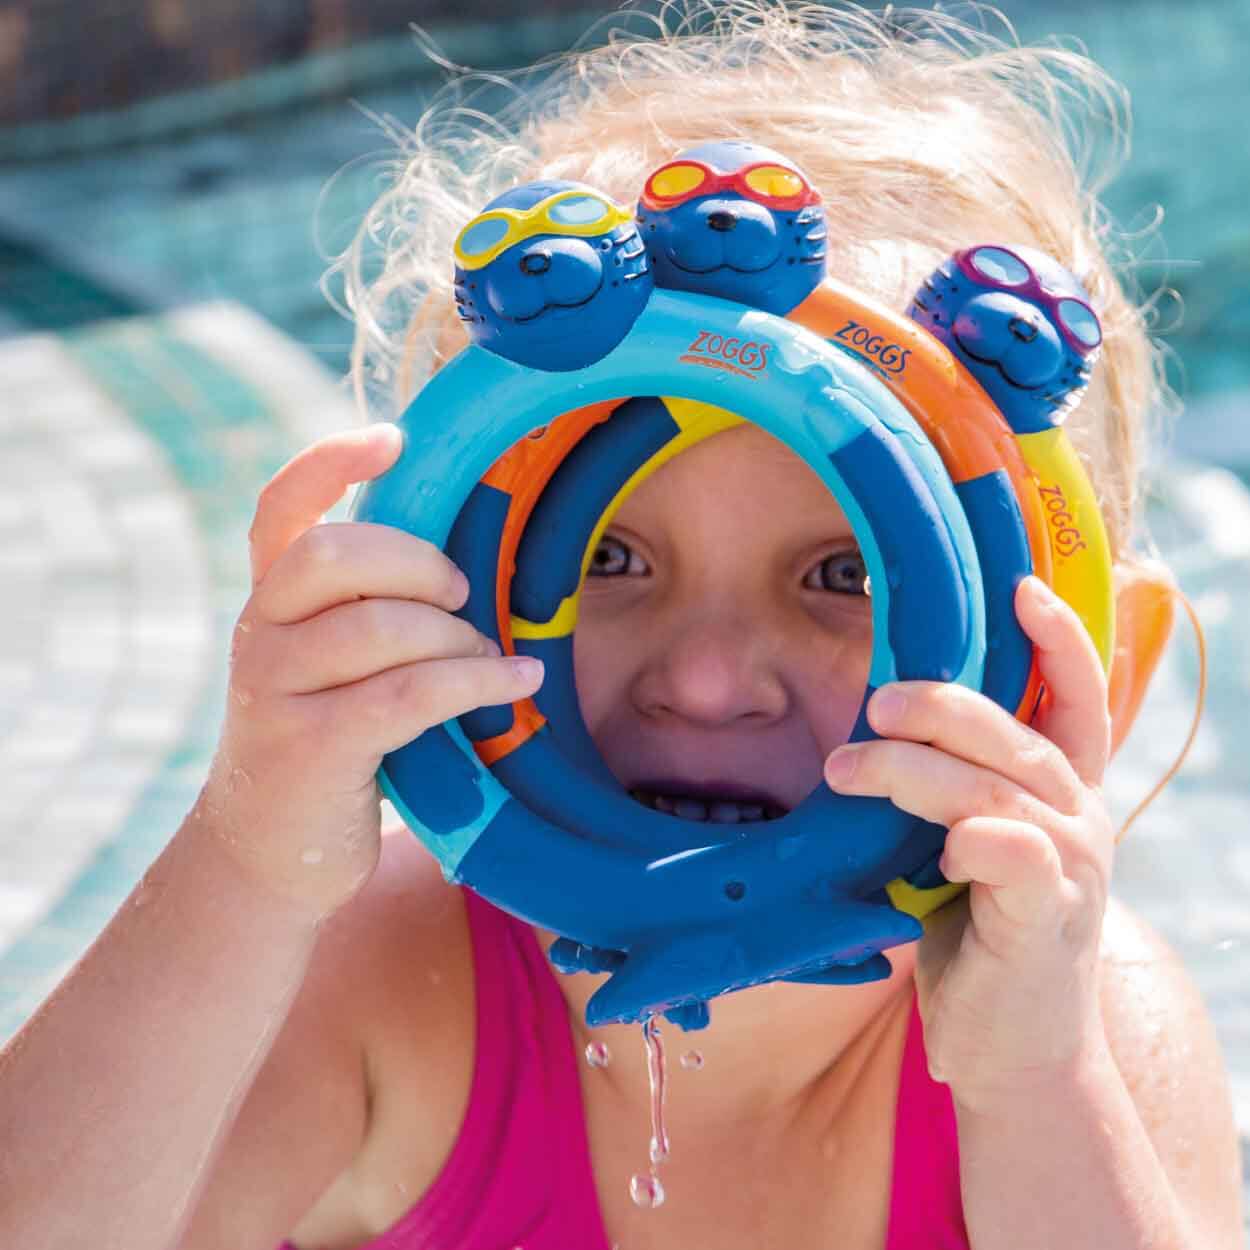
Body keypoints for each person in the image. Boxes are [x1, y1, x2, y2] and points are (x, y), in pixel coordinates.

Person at [0, 5, 1242, 1248]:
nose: (703, 678)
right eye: (607, 557)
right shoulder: (388, 978)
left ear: (1089, 677)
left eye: (844, 576)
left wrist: (1033, 1080)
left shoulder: (1075, 1029)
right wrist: (248, 867)